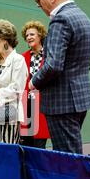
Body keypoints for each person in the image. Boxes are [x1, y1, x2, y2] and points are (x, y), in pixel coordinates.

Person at [29, 0, 90, 154]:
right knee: (71, 153)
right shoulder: (83, 17)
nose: (38, 5)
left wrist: (34, 81)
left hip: (61, 102)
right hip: (79, 98)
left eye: (38, 0)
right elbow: (84, 63)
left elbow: (53, 65)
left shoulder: (61, 20)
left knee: (67, 159)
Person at [20, 20, 50, 149]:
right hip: (26, 105)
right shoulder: (23, 57)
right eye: (26, 36)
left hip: (42, 105)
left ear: (40, 35)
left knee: (39, 146)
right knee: (26, 146)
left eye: (32, 34)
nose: (29, 37)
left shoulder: (49, 56)